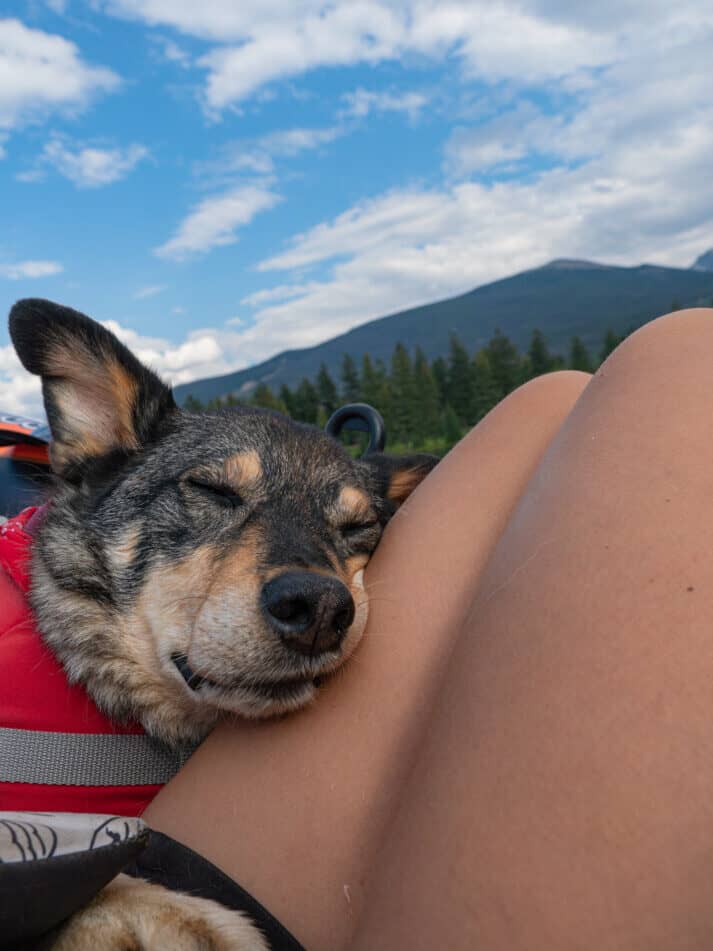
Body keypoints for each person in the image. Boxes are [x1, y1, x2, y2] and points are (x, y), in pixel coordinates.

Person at [141, 307, 713, 950]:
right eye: (218, 496)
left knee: (552, 398)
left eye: (354, 530)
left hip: (200, 859)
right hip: (163, 896)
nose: (319, 602)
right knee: (689, 349)